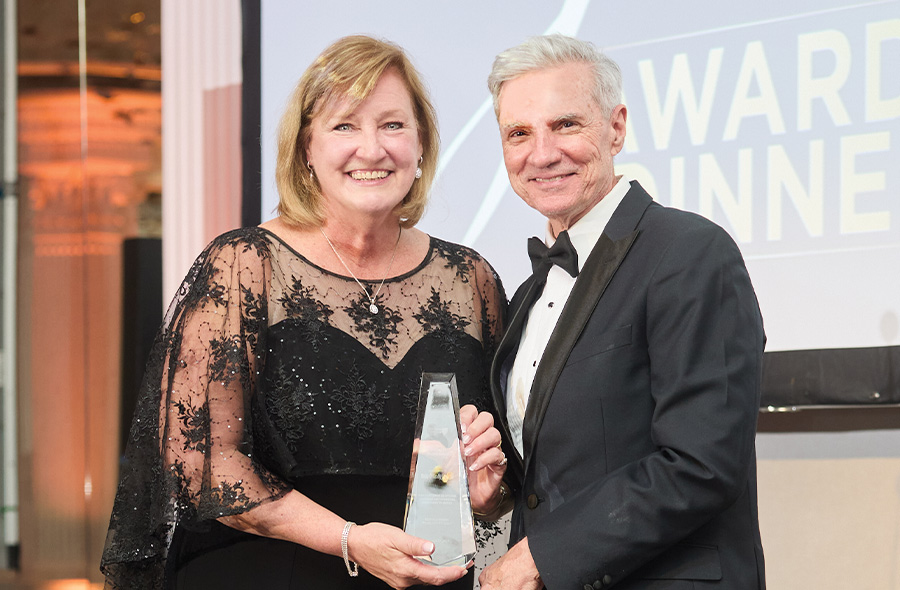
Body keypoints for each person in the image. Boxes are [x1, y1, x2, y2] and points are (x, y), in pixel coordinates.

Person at [101, 35, 510, 590]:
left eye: (392, 125)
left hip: (426, 578)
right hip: (268, 573)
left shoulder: (472, 279)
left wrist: (487, 495)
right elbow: (201, 462)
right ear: (305, 151)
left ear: (421, 148)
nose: (372, 149)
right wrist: (349, 540)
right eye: (345, 126)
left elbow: (490, 476)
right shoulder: (243, 265)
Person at [479, 34, 766, 590]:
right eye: (519, 133)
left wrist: (540, 557)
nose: (541, 153)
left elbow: (701, 464)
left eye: (565, 125)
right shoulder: (528, 293)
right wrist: (496, 488)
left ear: (615, 127)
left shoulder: (688, 251)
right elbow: (563, 472)